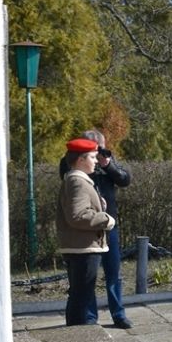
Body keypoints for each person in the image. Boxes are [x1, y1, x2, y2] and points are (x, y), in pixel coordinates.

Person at [58, 130, 133, 328]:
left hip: (106, 225)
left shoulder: (106, 159)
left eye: (97, 150)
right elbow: (77, 210)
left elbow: (124, 179)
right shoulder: (74, 169)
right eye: (92, 153)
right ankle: (88, 319)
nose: (96, 155)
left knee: (113, 272)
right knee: (84, 283)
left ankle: (118, 313)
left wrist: (107, 165)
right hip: (87, 233)